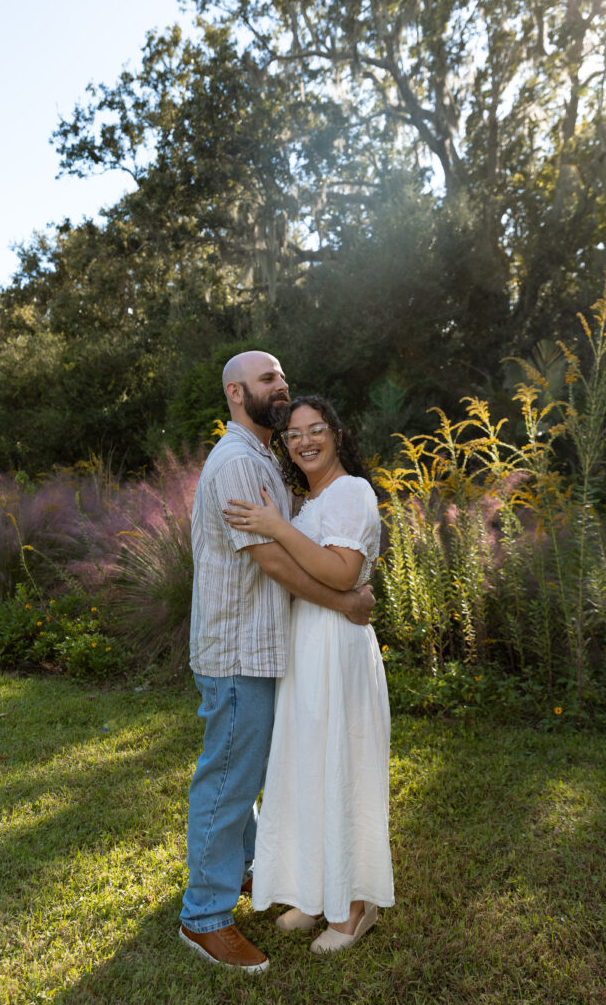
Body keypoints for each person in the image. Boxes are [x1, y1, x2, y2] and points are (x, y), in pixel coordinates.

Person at [178, 353, 376, 974]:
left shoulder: (265, 456)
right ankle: (205, 917)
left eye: (284, 376)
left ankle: (239, 873)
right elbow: (272, 562)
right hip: (238, 648)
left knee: (245, 770)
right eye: (268, 379)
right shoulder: (239, 460)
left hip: (266, 648)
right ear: (236, 392)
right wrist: (347, 601)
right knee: (229, 780)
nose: (281, 387)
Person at [223, 395, 395, 954]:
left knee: (340, 766)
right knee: (306, 765)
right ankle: (318, 894)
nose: (304, 441)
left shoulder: (352, 492)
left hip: (337, 651)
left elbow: (343, 574)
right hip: (305, 647)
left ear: (337, 433)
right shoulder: (309, 501)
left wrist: (275, 524)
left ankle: (354, 909)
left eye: (315, 429)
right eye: (294, 434)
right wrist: (282, 522)